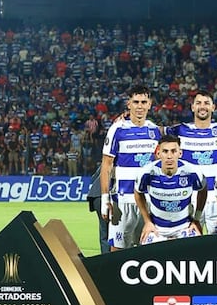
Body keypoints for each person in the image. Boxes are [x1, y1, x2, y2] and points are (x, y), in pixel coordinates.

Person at [100, 86, 161, 251]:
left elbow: (158, 166)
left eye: (143, 102)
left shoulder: (155, 131)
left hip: (149, 202)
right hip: (123, 201)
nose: (140, 106)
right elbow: (106, 165)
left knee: (149, 251)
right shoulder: (117, 129)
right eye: (136, 102)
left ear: (149, 104)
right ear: (129, 104)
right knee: (117, 250)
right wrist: (105, 199)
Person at [166, 90, 217, 235]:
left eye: (206, 103)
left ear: (213, 107)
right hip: (190, 198)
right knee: (190, 242)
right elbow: (154, 130)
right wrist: (127, 117)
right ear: (192, 107)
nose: (202, 106)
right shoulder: (180, 130)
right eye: (198, 103)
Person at [134, 134, 207, 244]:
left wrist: (196, 219)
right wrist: (147, 221)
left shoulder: (192, 171)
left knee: (194, 250)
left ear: (180, 153)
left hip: (184, 227)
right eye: (165, 151)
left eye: (173, 151)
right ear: (158, 154)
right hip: (157, 228)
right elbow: (138, 192)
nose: (169, 156)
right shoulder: (146, 173)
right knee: (149, 253)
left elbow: (203, 190)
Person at [86, 164, 110, 254]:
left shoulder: (106, 163)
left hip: (96, 196)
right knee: (114, 230)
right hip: (106, 196)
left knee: (104, 230)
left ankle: (105, 257)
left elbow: (94, 177)